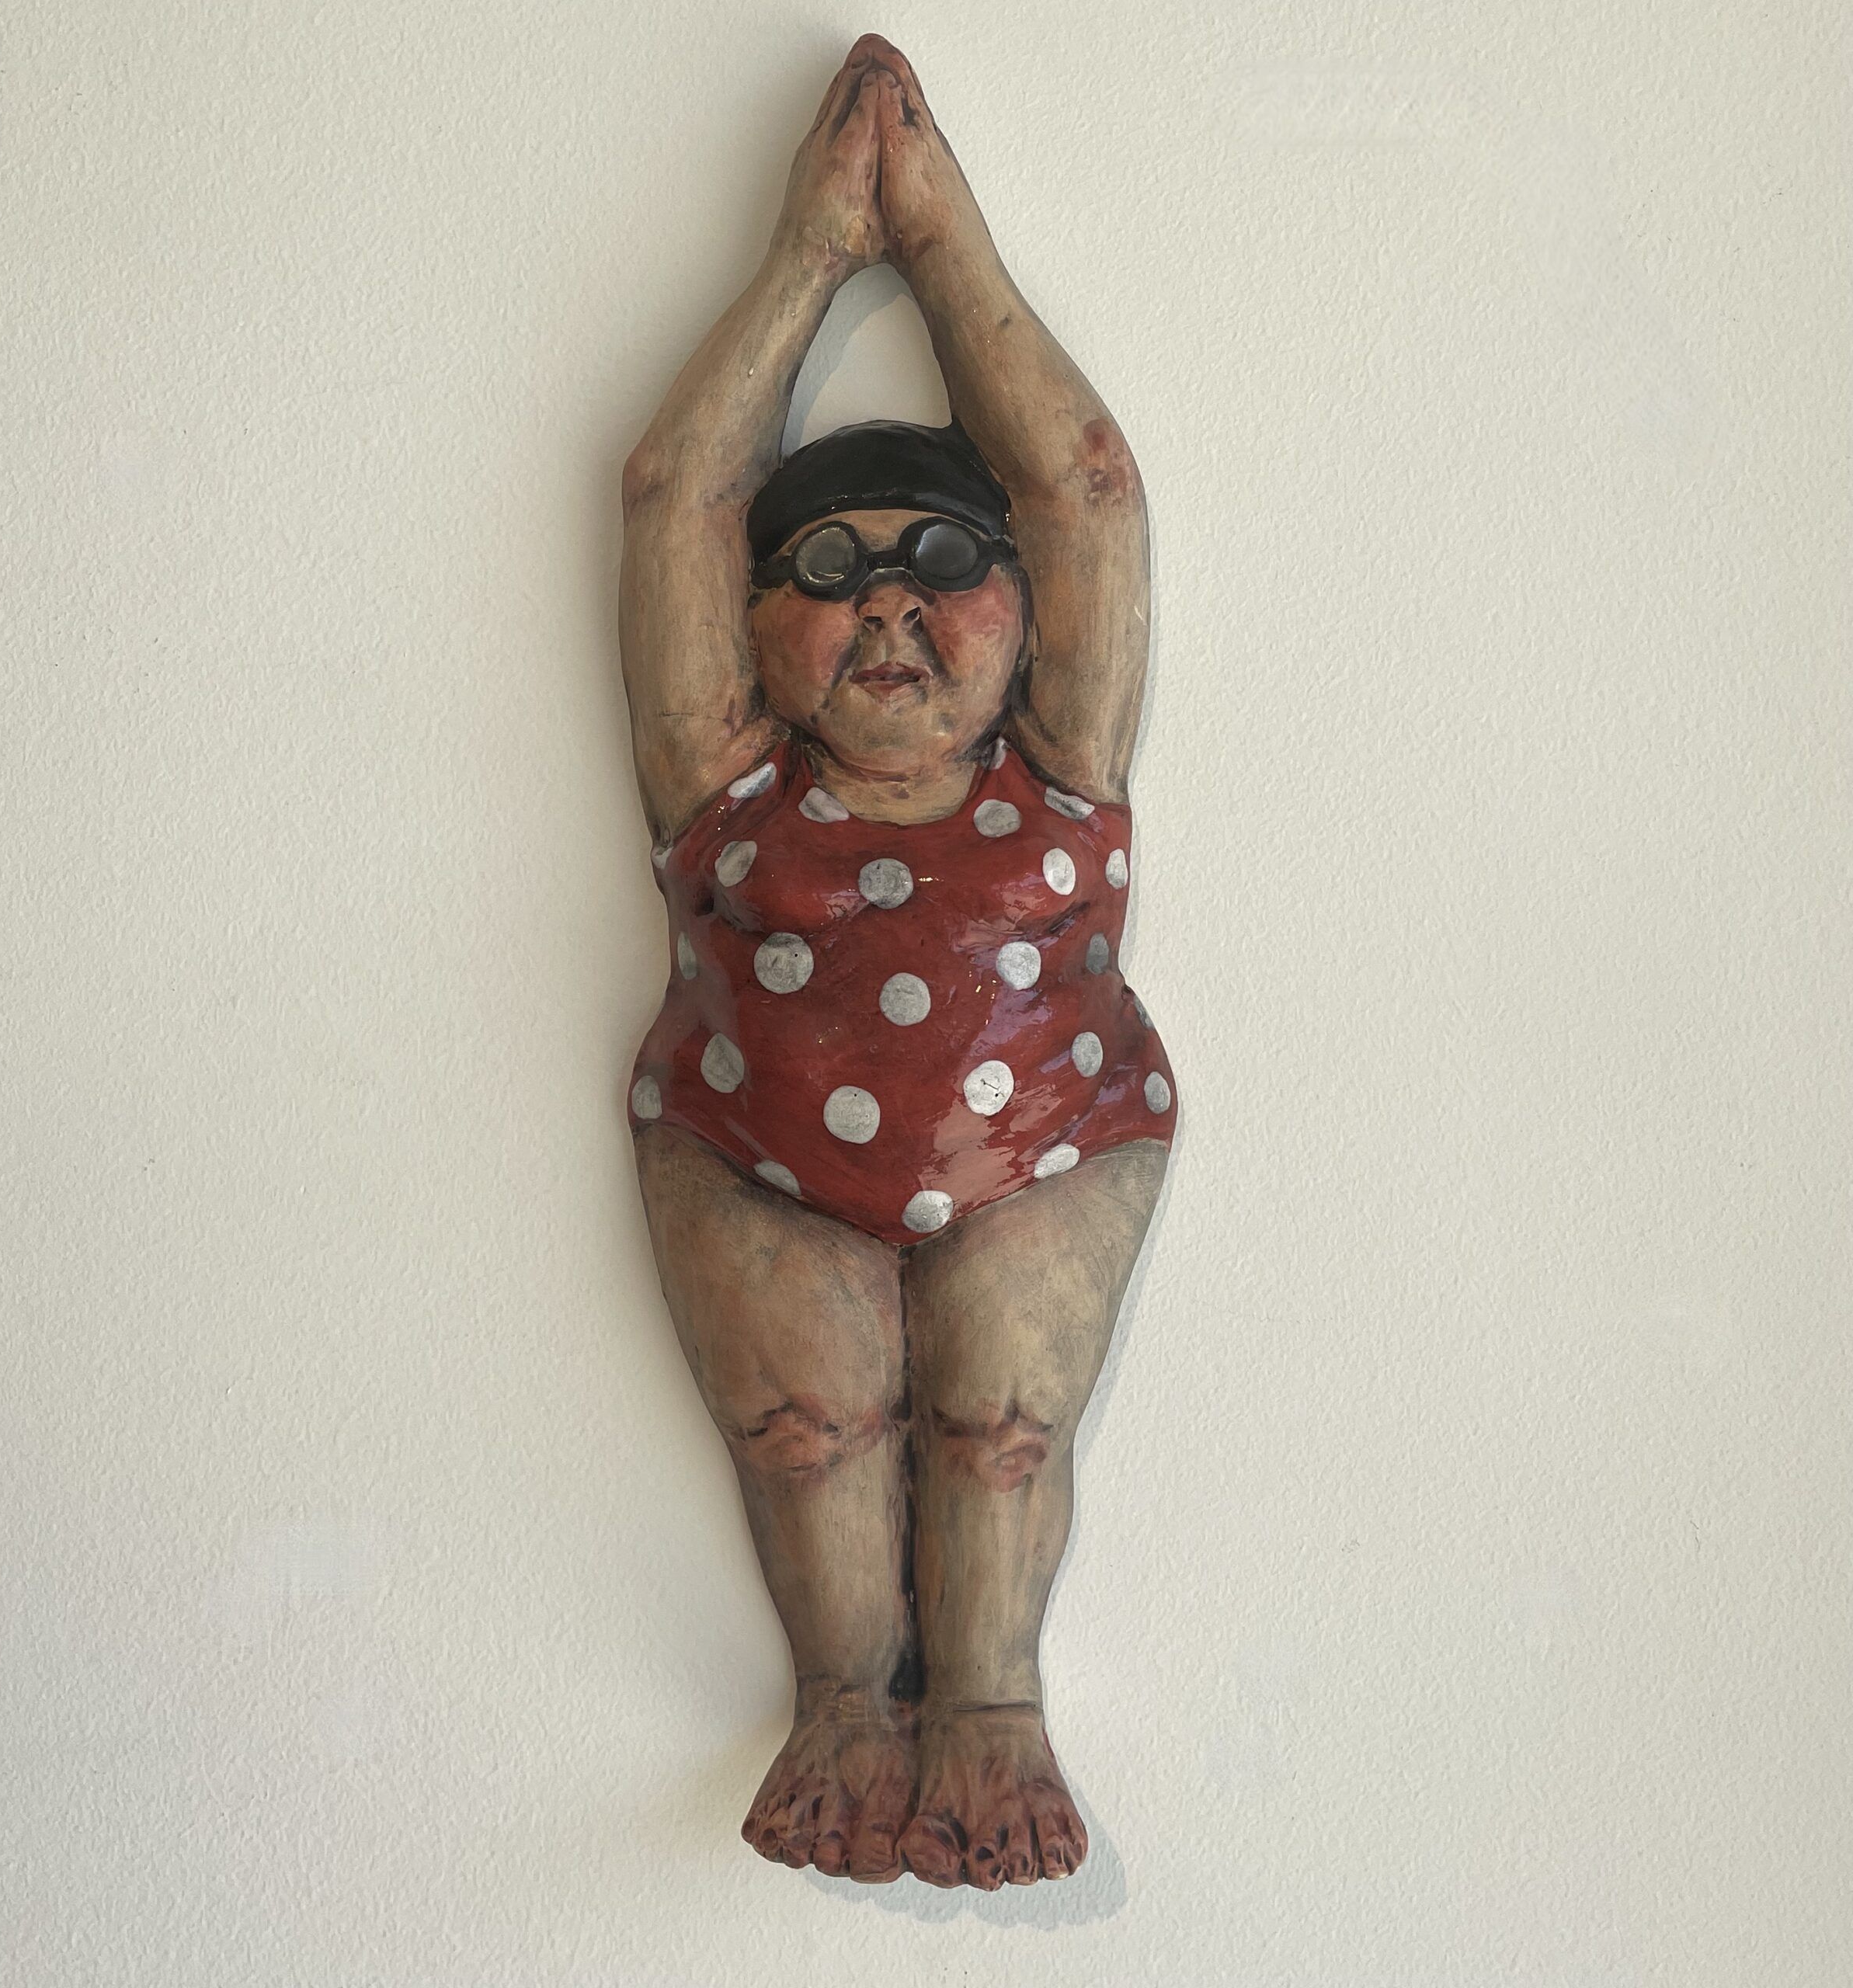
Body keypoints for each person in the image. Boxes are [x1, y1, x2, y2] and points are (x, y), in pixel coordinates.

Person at [618, 36, 1174, 1890]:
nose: (887, 607)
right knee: (805, 1428)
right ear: (752, 623)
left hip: (1044, 1144)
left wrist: (935, 240)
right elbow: (675, 493)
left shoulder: (1060, 766)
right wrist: (804, 255)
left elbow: (1084, 485)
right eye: (827, 569)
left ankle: (991, 1702)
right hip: (754, 1150)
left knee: (997, 1428)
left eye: (942, 559)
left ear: (1018, 616)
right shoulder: (719, 778)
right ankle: (846, 1698)